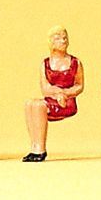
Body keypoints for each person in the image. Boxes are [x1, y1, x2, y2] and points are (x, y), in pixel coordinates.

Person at [22, 26, 84, 162]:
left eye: (64, 38)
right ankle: (34, 145)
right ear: (51, 42)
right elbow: (45, 88)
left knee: (39, 106)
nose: (63, 41)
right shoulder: (45, 63)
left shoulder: (75, 63)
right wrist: (58, 93)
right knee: (30, 104)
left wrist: (65, 94)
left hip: (66, 102)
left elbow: (79, 86)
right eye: (58, 38)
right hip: (52, 99)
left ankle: (40, 149)